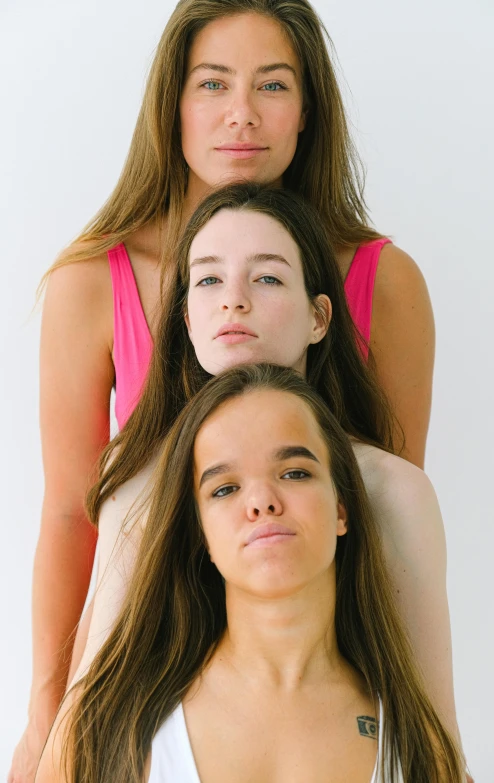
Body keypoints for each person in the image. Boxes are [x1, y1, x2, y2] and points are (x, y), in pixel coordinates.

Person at [10, 2, 435, 780]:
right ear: (171, 104)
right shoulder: (92, 284)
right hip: (148, 663)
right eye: (212, 84)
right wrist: (45, 717)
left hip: (318, 677)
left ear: (308, 109)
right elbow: (74, 515)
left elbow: (388, 529)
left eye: (273, 85)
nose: (242, 116)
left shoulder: (387, 281)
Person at [65, 185, 459, 763]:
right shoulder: (139, 493)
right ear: (187, 322)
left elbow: (436, 738)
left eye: (268, 278)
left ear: (320, 318)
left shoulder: (392, 491)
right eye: (208, 280)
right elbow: (80, 731)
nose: (234, 301)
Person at [36, 364, 464, 783]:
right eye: (224, 488)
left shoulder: (417, 746)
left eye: (295, 472)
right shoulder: (104, 733)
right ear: (200, 531)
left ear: (341, 507)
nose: (262, 501)